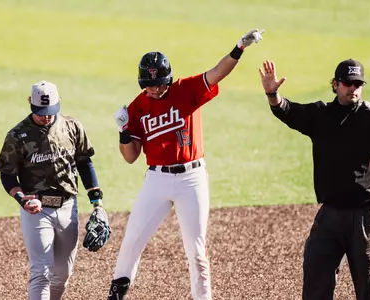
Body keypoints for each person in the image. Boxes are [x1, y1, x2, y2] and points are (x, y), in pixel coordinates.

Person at [106, 28, 264, 300]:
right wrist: (122, 131)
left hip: (192, 179)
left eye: (158, 84)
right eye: (148, 84)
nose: (153, 89)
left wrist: (240, 48)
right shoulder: (138, 107)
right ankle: (116, 295)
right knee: (132, 241)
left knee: (197, 251)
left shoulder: (186, 89)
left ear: (168, 79)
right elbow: (131, 156)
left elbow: (217, 72)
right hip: (156, 180)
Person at [259, 59, 370, 300]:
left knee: (369, 286)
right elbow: (288, 111)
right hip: (331, 215)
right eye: (348, 83)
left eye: (358, 83)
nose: (354, 88)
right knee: (316, 275)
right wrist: (272, 93)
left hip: (367, 216)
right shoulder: (321, 115)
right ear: (336, 85)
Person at [0, 80, 107, 300]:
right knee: (41, 272)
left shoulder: (72, 126)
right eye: (40, 112)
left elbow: (84, 162)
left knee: (63, 274)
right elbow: (7, 174)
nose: (46, 116)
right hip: (37, 211)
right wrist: (21, 199)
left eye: (50, 111)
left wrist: (97, 201)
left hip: (68, 207)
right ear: (31, 105)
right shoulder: (17, 136)